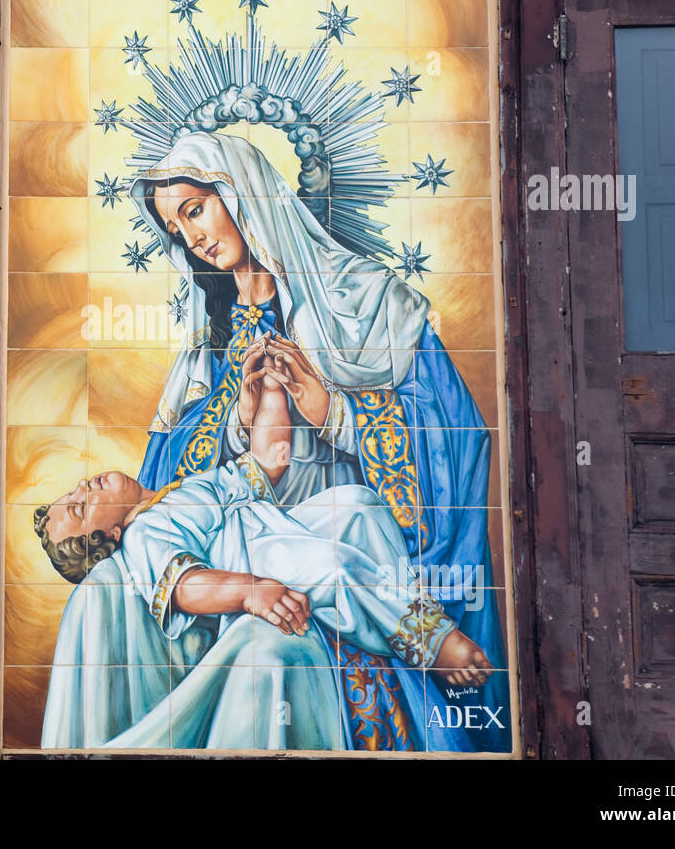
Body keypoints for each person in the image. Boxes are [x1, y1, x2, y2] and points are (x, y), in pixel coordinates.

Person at [44, 130, 508, 752]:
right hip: (255, 556)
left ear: (243, 191)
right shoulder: (208, 352)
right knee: (112, 595)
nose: (195, 237)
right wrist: (236, 415)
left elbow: (454, 435)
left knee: (354, 519)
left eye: (196, 209)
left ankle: (422, 635)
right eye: (179, 228)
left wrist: (335, 412)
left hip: (345, 524)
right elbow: (199, 481)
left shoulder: (364, 302)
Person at [34, 364, 495, 689]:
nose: (81, 487)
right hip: (259, 558)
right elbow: (185, 587)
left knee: (358, 506)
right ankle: (430, 644)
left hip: (278, 527)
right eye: (79, 506)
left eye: (72, 492)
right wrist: (250, 590)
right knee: (334, 566)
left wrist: (270, 391)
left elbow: (264, 464)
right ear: (108, 537)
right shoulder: (144, 536)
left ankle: (391, 617)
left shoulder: (172, 494)